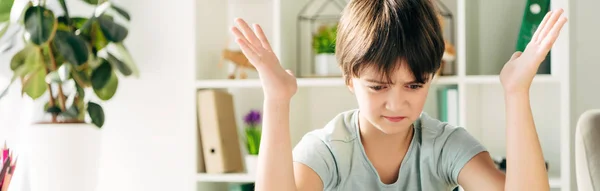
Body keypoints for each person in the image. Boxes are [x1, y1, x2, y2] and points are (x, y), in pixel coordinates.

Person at [230, 0, 568, 190]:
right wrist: (276, 100)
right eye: (378, 87)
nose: (396, 103)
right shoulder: (327, 150)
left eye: (414, 85)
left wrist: (516, 92)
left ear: (432, 78)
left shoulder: (444, 145)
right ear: (350, 79)